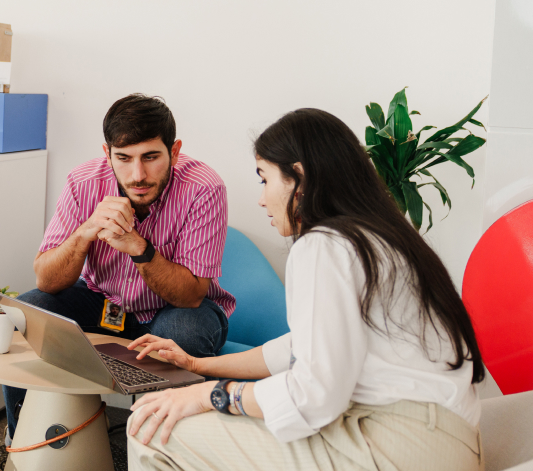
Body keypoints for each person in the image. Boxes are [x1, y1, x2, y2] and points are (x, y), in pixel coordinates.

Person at [126, 108, 484, 471]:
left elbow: (314, 395)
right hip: (442, 440)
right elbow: (299, 348)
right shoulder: (375, 236)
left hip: (399, 443)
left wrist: (212, 393)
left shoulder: (324, 245)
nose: (262, 199)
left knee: (150, 429)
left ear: (298, 177)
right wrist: (197, 364)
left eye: (264, 180)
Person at [3, 94, 234, 441]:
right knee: (30, 312)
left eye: (151, 157)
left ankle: (161, 451)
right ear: (107, 152)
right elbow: (46, 280)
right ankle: (23, 439)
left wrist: (138, 248)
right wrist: (85, 232)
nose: (137, 174)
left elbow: (190, 294)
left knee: (183, 331)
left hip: (178, 308)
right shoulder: (83, 182)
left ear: (175, 150)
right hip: (101, 301)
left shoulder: (204, 188)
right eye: (123, 158)